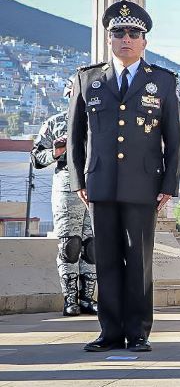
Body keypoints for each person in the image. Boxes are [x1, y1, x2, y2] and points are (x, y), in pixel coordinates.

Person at [68, 0, 180, 352]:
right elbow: (75, 136)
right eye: (119, 32)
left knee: (138, 262)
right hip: (101, 184)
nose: (126, 39)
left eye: (134, 33)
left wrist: (168, 185)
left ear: (144, 41)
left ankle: (138, 332)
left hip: (143, 184)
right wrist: (79, 181)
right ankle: (110, 331)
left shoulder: (162, 81)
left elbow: (173, 138)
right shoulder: (88, 79)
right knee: (105, 260)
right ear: (109, 39)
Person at [31, 77, 97, 317]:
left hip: (95, 189)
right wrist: (56, 151)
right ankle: (70, 299)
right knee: (70, 245)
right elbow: (36, 159)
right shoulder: (55, 123)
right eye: (73, 93)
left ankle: (88, 298)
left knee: (93, 247)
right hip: (66, 188)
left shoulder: (100, 121)